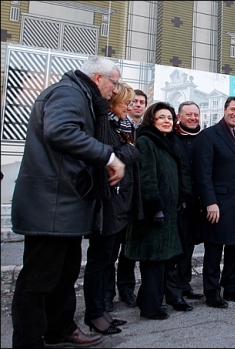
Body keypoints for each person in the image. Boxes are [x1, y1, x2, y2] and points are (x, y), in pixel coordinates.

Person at [10, 57, 125, 348]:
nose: (115, 91)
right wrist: (109, 157)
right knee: (38, 281)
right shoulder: (68, 93)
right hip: (50, 206)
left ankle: (60, 329)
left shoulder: (81, 95)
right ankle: (28, 340)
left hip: (66, 204)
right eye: (114, 83)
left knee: (65, 274)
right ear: (98, 78)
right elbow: (60, 131)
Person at [83, 81, 143, 335]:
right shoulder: (104, 124)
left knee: (109, 258)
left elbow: (127, 153)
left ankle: (101, 311)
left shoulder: (122, 125)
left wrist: (126, 152)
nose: (129, 107)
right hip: (107, 201)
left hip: (121, 202)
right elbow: (116, 154)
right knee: (99, 261)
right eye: (125, 103)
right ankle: (94, 313)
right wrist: (127, 152)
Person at [124, 102, 193, 320]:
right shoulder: (146, 141)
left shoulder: (168, 141)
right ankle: (150, 308)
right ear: (151, 120)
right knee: (153, 262)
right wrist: (155, 207)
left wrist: (182, 198)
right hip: (154, 214)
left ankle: (152, 302)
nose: (166, 121)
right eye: (161, 117)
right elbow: (147, 177)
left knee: (162, 261)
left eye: (169, 118)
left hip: (169, 212)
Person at [194, 96, 235, 308]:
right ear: (225, 110)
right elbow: (203, 173)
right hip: (217, 205)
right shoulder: (208, 136)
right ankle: (212, 292)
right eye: (233, 110)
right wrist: (209, 201)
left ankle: (231, 287)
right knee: (214, 251)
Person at [104, 89, 148, 311]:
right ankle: (106, 294)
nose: (137, 105)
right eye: (134, 102)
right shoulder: (114, 125)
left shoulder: (143, 130)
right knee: (110, 251)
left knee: (129, 250)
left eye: (141, 102)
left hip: (136, 197)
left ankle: (127, 289)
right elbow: (119, 154)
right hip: (117, 193)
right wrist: (129, 152)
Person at [171, 101, 206, 301]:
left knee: (189, 246)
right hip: (177, 202)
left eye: (195, 115)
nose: (193, 118)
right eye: (188, 115)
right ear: (179, 117)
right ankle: (172, 289)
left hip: (196, 203)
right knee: (176, 247)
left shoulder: (203, 138)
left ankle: (184, 285)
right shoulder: (171, 137)